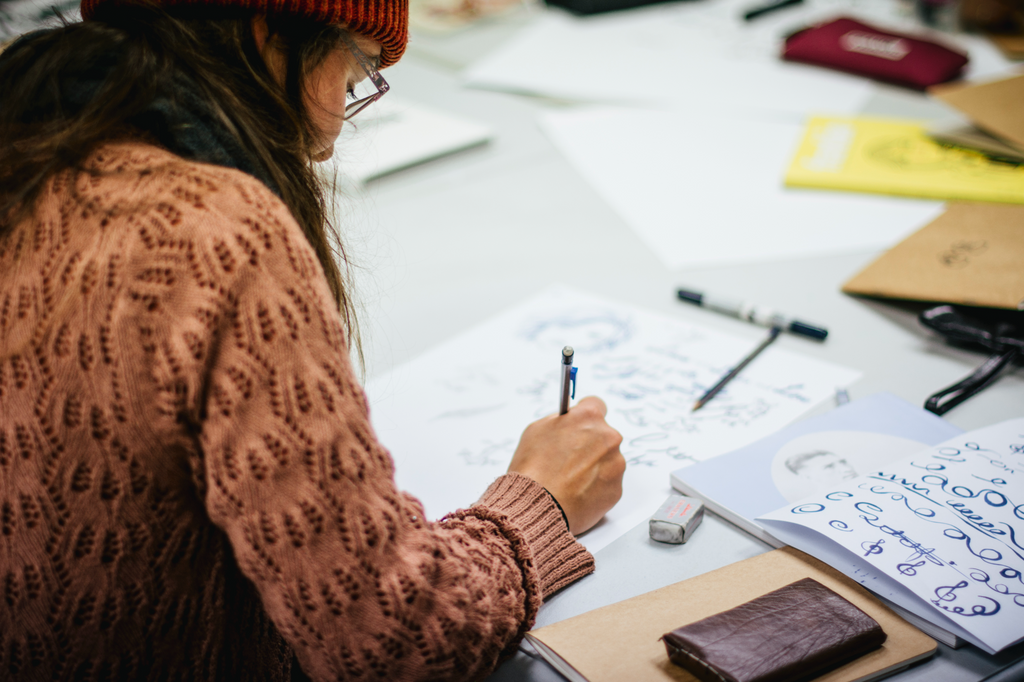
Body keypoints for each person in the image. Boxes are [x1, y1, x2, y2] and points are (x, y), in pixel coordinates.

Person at [0, 1, 626, 680]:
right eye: (355, 75)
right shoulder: (219, 237)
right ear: (271, 31)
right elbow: (397, 641)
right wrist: (538, 503)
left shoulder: (30, 137)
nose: (326, 143)